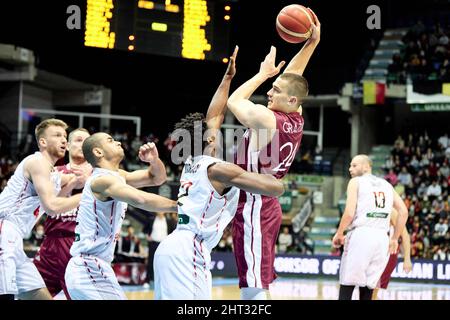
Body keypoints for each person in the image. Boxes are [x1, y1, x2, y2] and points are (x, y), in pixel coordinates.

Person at [154, 49, 285, 299]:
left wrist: (227, 78)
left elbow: (214, 115)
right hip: (189, 250)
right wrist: (277, 175)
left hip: (171, 248)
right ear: (210, 139)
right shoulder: (218, 170)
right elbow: (271, 187)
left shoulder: (192, 161)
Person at [211, 9, 321, 299]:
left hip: (252, 205)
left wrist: (262, 74)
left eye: (275, 90)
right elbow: (294, 77)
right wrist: (311, 44)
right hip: (263, 203)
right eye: (271, 87)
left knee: (253, 286)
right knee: (256, 279)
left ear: (291, 99)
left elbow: (235, 100)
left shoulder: (266, 119)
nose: (270, 92)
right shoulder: (295, 115)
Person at [64, 133, 177, 300]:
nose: (117, 141)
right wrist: (178, 206)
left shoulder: (119, 176)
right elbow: (140, 199)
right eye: (110, 140)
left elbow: (157, 178)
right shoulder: (101, 180)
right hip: (88, 266)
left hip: (95, 266)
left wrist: (154, 160)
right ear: (98, 152)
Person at [0, 119, 83, 300]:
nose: (64, 140)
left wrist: (76, 180)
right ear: (43, 142)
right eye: (57, 135)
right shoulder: (37, 162)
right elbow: (52, 207)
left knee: (39, 295)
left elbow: (59, 193)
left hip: (15, 237)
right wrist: (87, 196)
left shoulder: (51, 173)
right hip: (3, 229)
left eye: (65, 136)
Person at [332, 155, 408, 300]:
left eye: (354, 165)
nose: (350, 169)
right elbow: (403, 211)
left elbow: (349, 213)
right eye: (350, 165)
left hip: (361, 234)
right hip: (382, 239)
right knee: (369, 287)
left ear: (367, 166)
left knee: (347, 283)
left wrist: (339, 233)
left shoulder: (355, 182)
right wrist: (394, 239)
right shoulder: (387, 185)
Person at [33, 128, 91, 299]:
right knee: (29, 290)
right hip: (49, 245)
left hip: (78, 245)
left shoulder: (100, 176)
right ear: (67, 145)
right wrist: (72, 182)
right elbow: (47, 203)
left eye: (87, 141)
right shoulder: (54, 172)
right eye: (79, 140)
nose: (83, 144)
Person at [372, 208, 412, 300]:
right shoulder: (372, 207)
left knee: (372, 290)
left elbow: (405, 235)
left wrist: (407, 259)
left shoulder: (392, 211)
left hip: (387, 254)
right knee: (368, 291)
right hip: (374, 253)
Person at [144, 212, 176, 284]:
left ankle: (164, 280)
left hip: (164, 244)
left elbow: (172, 231)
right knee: (151, 261)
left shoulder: (168, 221)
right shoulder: (152, 219)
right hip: (153, 243)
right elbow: (145, 229)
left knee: (164, 261)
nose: (160, 212)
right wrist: (147, 236)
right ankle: (148, 280)